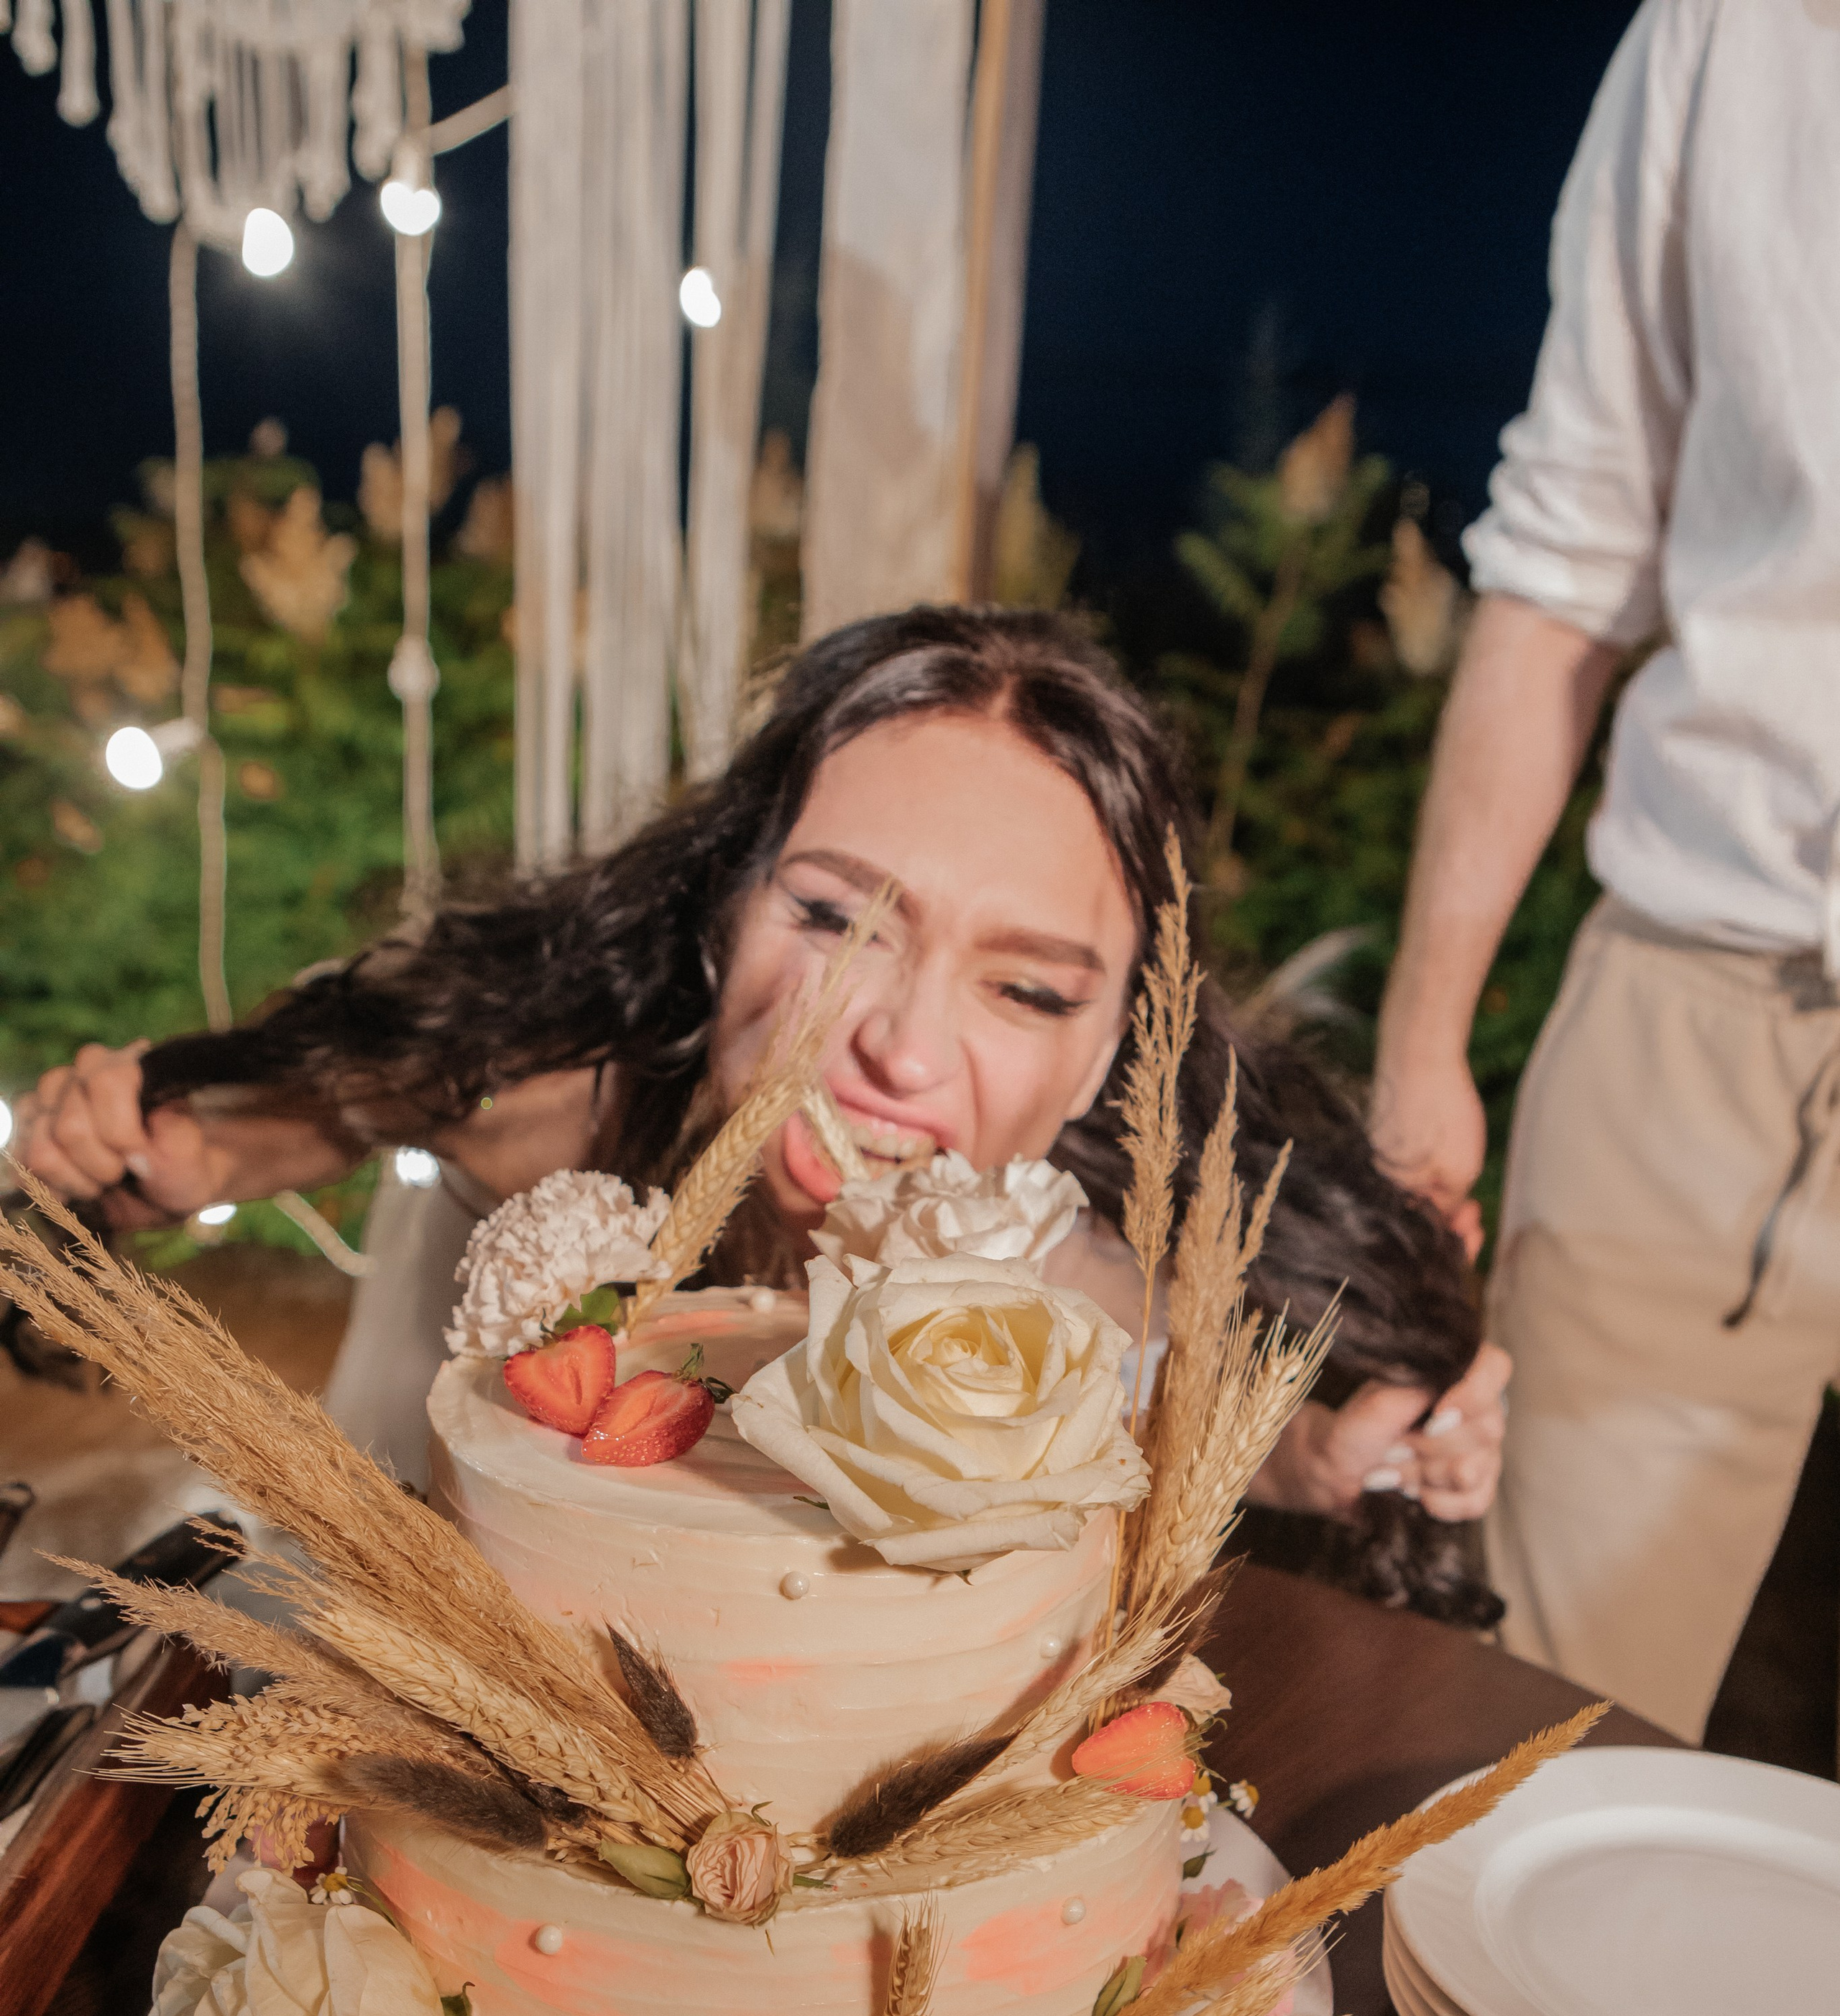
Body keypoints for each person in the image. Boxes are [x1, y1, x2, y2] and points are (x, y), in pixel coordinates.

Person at [17, 606, 1505, 1620]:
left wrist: (1331, 1458)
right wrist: (132, 1159)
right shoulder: (551, 1105)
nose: (895, 1047)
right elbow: (208, 1145)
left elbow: (1197, 1439)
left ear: (1113, 1045)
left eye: (1026, 993)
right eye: (833, 916)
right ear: (730, 899)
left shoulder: (1104, 1282)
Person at [1370, 0, 1840, 1732]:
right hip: (1701, 1011)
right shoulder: (1724, 34)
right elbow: (1568, 550)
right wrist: (1424, 1049)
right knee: (1541, 1723)